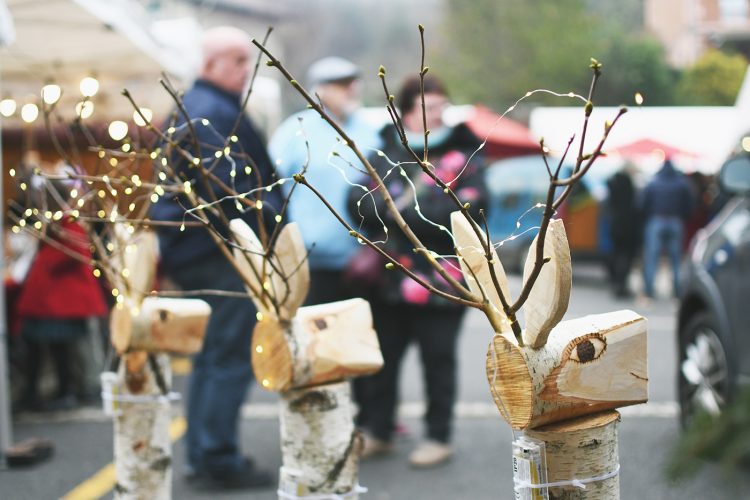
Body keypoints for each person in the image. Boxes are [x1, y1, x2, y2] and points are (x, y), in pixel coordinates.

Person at [150, 26, 281, 490]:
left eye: (247, 60)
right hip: (217, 249)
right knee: (227, 355)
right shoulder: (209, 112)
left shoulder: (198, 107)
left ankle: (204, 455)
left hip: (197, 247)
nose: (246, 70)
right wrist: (269, 225)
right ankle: (217, 457)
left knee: (212, 357)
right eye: (236, 60)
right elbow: (229, 191)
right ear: (209, 65)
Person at [351, 75, 487, 468]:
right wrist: (405, 212)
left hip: (445, 279)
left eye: (443, 106)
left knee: (438, 359)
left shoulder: (464, 156)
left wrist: (400, 213)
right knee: (384, 358)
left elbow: (471, 210)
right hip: (391, 277)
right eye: (428, 107)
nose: (437, 115)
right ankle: (379, 430)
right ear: (408, 110)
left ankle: (438, 435)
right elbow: (357, 199)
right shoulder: (387, 153)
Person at [268, 56, 381, 305]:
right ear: (320, 89)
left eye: (353, 82)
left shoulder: (370, 134)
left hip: (361, 261)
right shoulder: (294, 131)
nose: (351, 89)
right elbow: (271, 186)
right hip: (307, 259)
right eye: (341, 84)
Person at [17, 171, 108, 412]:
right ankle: (47, 391)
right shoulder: (59, 224)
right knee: (50, 349)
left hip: (59, 303)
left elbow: (69, 256)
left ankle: (65, 391)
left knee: (61, 350)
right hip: (50, 302)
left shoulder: (67, 225)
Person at [641, 157, 695, 299]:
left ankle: (648, 291)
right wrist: (683, 216)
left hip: (656, 220)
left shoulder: (653, 182)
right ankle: (677, 292)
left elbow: (642, 203)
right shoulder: (682, 183)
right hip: (675, 221)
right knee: (676, 259)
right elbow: (690, 204)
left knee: (652, 257)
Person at [606, 163, 640, 298]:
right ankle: (621, 285)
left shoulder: (612, 185)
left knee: (617, 253)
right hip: (627, 226)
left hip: (615, 225)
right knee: (626, 256)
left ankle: (616, 282)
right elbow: (633, 206)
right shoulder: (628, 185)